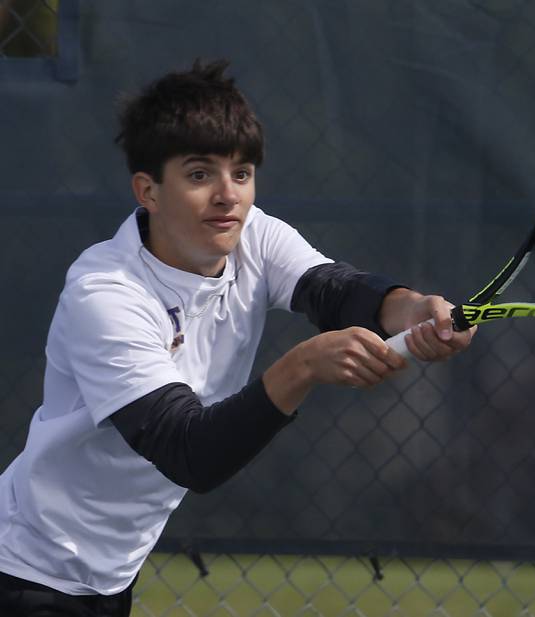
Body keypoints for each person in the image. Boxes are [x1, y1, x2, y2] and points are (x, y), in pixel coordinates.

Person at [0, 59, 474, 616]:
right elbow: (189, 451)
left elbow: (336, 291)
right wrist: (301, 367)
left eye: (242, 173)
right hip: (25, 573)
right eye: (200, 175)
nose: (229, 196)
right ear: (148, 190)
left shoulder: (253, 235)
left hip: (107, 576)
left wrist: (415, 308)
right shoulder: (105, 294)